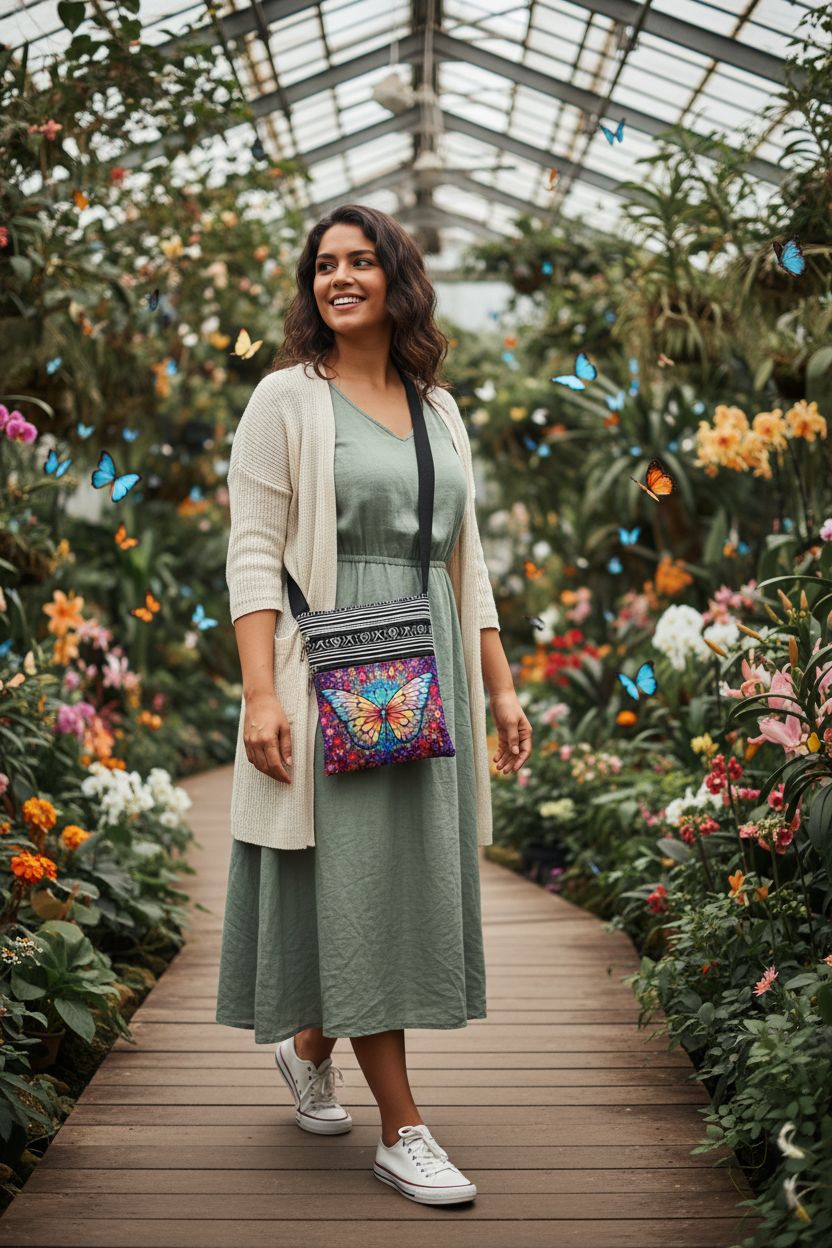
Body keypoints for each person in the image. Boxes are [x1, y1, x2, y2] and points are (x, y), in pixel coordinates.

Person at [215, 203, 532, 1206]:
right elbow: (253, 549)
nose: (337, 277)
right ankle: (403, 1127)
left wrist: (501, 681)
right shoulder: (283, 399)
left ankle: (312, 1045)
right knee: (352, 879)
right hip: (334, 661)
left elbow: (463, 559)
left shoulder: (436, 407)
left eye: (359, 261)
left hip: (425, 659)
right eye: (322, 265)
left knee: (391, 877)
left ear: (399, 277)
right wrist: (262, 691)